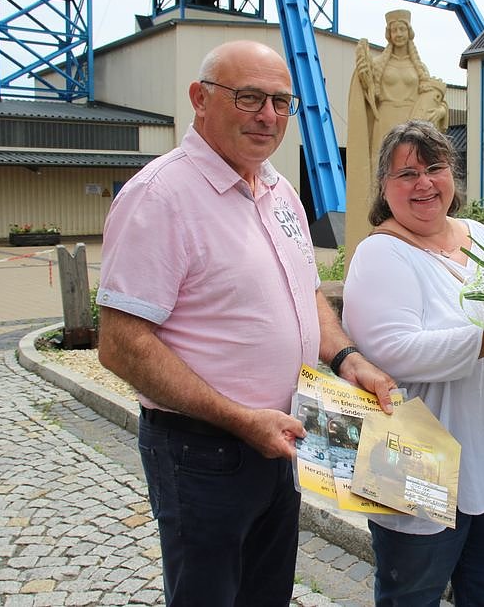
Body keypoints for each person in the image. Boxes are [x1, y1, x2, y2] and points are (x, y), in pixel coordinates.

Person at [96, 40, 395, 607]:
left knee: (266, 593)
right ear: (199, 98)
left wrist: (347, 359)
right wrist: (239, 419)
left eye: (281, 102)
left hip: (281, 436)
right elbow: (122, 344)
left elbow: (305, 293)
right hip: (203, 451)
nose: (268, 116)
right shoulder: (160, 196)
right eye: (249, 98)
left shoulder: (279, 189)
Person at [342, 120, 484, 606]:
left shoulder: (480, 235)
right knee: (413, 595)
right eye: (407, 174)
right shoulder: (380, 253)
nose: (424, 183)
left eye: (435, 168)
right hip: (418, 461)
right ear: (384, 187)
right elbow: (394, 351)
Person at [345, 9, 450, 260]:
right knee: (388, 180)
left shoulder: (419, 68)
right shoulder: (379, 66)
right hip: (385, 123)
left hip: (413, 126)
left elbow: (435, 99)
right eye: (394, 29)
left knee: (416, 178)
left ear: (409, 32)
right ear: (388, 33)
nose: (399, 33)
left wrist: (440, 112)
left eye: (402, 28)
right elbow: (366, 93)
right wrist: (362, 75)